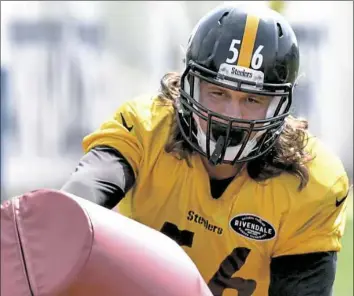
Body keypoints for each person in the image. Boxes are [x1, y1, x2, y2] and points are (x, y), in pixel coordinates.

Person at [61, 3, 350, 296]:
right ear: (190, 87)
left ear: (278, 106)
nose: (231, 115)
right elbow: (72, 209)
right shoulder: (147, 127)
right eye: (217, 92)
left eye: (251, 100)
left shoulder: (312, 182)